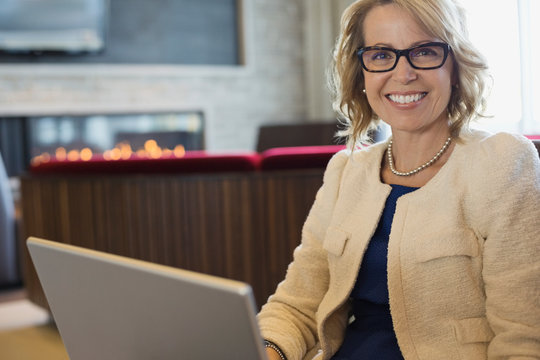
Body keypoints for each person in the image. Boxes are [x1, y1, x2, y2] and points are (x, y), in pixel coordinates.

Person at [257, 0, 540, 359]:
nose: (403, 74)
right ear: (362, 72)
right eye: (380, 55)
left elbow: (524, 339)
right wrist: (267, 348)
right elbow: (297, 305)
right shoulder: (346, 172)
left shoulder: (502, 162)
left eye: (424, 52)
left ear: (455, 66)